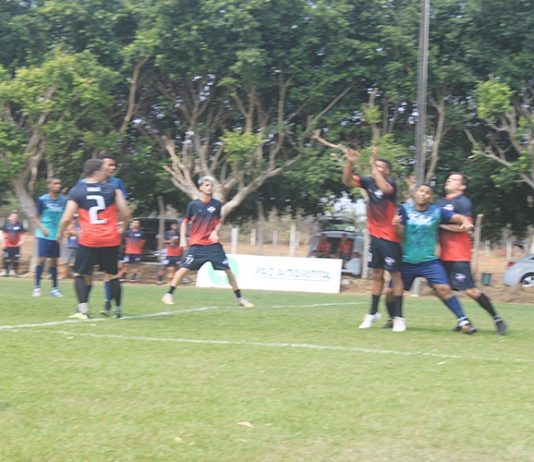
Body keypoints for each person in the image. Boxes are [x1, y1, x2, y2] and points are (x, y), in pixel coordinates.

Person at [385, 184, 476, 333]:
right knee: (390, 293)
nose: (423, 194)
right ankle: (392, 318)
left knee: (443, 289)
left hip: (429, 261)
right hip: (406, 261)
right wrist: (396, 225)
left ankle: (463, 320)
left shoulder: (437, 212)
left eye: (427, 192)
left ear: (430, 197)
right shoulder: (404, 209)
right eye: (421, 191)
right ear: (415, 194)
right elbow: (400, 233)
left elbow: (457, 217)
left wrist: (464, 220)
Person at [162, 176, 253, 308]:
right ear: (201, 188)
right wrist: (182, 239)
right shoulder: (193, 205)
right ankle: (168, 294)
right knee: (184, 269)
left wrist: (215, 231)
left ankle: (240, 298)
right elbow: (185, 222)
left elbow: (218, 222)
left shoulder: (216, 204)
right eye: (206, 185)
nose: (209, 187)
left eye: (211, 185)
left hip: (213, 246)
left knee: (228, 270)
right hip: (197, 245)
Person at [58, 158, 130, 319]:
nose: (106, 171)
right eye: (103, 169)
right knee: (112, 275)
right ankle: (118, 310)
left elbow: (67, 217)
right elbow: (126, 212)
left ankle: (83, 310)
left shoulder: (77, 190)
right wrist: (123, 226)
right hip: (110, 239)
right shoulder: (113, 190)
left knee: (80, 274)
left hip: (89, 239)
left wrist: (60, 233)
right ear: (97, 171)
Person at [437, 173, 507, 335]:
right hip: (443, 255)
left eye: (454, 179)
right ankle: (463, 320)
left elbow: (466, 226)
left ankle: (498, 319)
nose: (449, 180)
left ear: (462, 186)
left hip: (458, 255)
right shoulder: (440, 203)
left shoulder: (463, 202)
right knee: (440, 288)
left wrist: (441, 226)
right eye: (448, 178)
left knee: (470, 291)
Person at [342, 146, 403, 329]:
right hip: (375, 238)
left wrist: (372, 164)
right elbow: (347, 180)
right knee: (377, 275)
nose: (376, 169)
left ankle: (399, 318)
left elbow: (384, 188)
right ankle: (372, 313)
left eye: (380, 167)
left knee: (395, 275)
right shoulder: (368, 182)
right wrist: (350, 162)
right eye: (376, 166)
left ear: (387, 171)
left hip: (390, 238)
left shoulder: (391, 184)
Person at [33, 178, 67, 297]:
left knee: (54, 261)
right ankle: (37, 287)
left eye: (59, 183)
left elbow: (65, 217)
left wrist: (62, 232)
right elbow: (35, 217)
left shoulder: (64, 200)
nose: (58, 185)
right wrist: (42, 228)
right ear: (49, 186)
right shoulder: (42, 199)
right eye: (55, 183)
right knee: (41, 259)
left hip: (56, 235)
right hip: (44, 234)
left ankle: (55, 289)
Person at [1, 211, 27, 277]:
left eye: (16, 217)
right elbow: (3, 233)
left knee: (15, 259)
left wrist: (21, 241)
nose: (15, 217)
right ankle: (5, 271)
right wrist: (3, 242)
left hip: (16, 245)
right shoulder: (6, 225)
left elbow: (23, 234)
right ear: (9, 217)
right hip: (7, 245)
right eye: (13, 216)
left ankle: (14, 271)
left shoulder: (20, 225)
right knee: (6, 258)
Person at [157, 220, 182, 285]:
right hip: (168, 253)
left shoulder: (179, 234)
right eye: (174, 225)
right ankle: (159, 280)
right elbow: (162, 241)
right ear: (171, 226)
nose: (175, 226)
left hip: (176, 254)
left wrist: (177, 242)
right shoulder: (167, 233)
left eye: (176, 225)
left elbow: (182, 242)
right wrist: (170, 241)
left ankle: (170, 281)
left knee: (172, 269)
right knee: (162, 267)